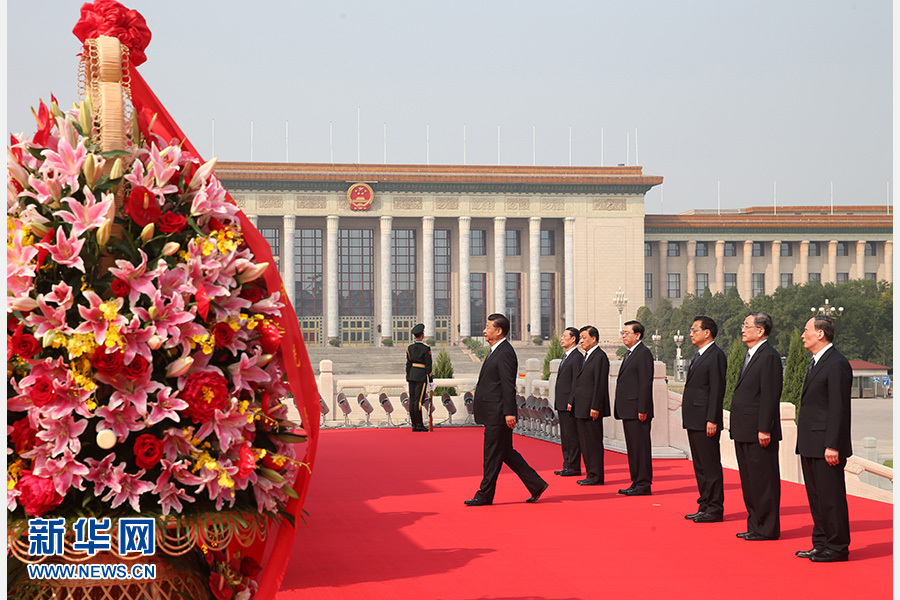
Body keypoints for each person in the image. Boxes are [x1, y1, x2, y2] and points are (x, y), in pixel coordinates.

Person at [464, 313, 548, 506]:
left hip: (498, 413)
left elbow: (507, 385)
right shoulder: (496, 351)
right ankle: (536, 484)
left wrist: (509, 412)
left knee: (492, 455)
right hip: (494, 412)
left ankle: (484, 495)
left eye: (487, 327)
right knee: (506, 453)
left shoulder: (505, 353)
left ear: (499, 330)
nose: (484, 331)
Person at [796, 316, 852, 562]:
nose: (802, 335)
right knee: (816, 498)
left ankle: (837, 546)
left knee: (831, 498)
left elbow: (838, 408)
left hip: (826, 445)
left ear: (820, 334)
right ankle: (820, 542)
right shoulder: (816, 362)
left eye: (806, 330)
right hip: (810, 442)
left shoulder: (836, 363)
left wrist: (832, 444)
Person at [730, 312, 783, 541]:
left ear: (761, 331)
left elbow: (770, 395)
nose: (743, 329)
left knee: (764, 481)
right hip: (744, 428)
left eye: (747, 325)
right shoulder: (751, 354)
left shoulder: (769, 356)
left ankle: (767, 528)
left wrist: (765, 428)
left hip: (758, 431)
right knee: (749, 480)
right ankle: (755, 524)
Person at [682, 316, 727, 523]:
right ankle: (704, 504)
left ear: (707, 332)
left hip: (705, 419)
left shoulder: (715, 355)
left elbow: (717, 390)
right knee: (699, 465)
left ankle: (715, 508)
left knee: (710, 465)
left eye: (694, 330)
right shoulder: (699, 355)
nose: (691, 333)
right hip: (694, 418)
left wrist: (712, 419)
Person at [614, 320, 655, 496]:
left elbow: (645, 383)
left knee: (641, 448)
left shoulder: (643, 354)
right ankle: (636, 481)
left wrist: (643, 408)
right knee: (633, 448)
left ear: (637, 335)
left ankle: (643, 483)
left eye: (627, 333)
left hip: (638, 410)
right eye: (622, 333)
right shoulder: (629, 354)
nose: (624, 336)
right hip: (628, 409)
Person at [570, 325, 610, 486]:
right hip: (581, 407)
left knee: (593, 443)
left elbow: (600, 384)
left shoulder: (600, 357)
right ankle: (590, 474)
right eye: (580, 338)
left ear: (594, 338)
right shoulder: (586, 356)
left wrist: (596, 406)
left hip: (591, 408)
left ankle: (596, 475)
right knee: (585, 443)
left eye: (584, 338)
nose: (581, 341)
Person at [553, 327, 584, 477]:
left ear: (573, 339)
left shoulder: (577, 357)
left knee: (572, 435)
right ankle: (567, 464)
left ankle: (574, 466)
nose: (561, 338)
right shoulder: (566, 356)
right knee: (565, 436)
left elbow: (575, 381)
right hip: (562, 401)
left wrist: (571, 399)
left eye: (565, 336)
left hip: (569, 403)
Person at [405, 323, 433, 432]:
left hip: (411, 375)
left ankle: (414, 425)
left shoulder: (409, 348)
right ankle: (419, 424)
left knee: (412, 400)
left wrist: (407, 377)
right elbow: (428, 365)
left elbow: (408, 364)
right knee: (419, 401)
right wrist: (430, 379)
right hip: (421, 376)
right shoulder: (426, 349)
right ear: (422, 335)